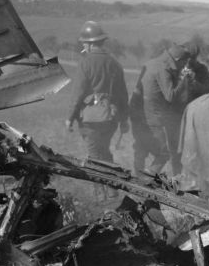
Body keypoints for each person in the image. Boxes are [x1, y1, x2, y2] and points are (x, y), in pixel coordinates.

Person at [65, 21, 129, 162]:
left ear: (90, 43)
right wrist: (124, 120)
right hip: (110, 118)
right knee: (104, 151)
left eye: (84, 43)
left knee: (94, 156)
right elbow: (123, 95)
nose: (83, 46)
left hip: (90, 119)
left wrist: (70, 117)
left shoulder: (85, 62)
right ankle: (113, 181)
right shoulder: (115, 64)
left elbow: (78, 93)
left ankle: (102, 183)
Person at [138, 43, 191, 176]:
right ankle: (147, 178)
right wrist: (183, 81)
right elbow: (170, 96)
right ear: (178, 60)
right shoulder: (164, 69)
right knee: (164, 152)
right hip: (153, 116)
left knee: (141, 150)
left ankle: (141, 175)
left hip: (142, 114)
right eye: (183, 63)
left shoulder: (152, 63)